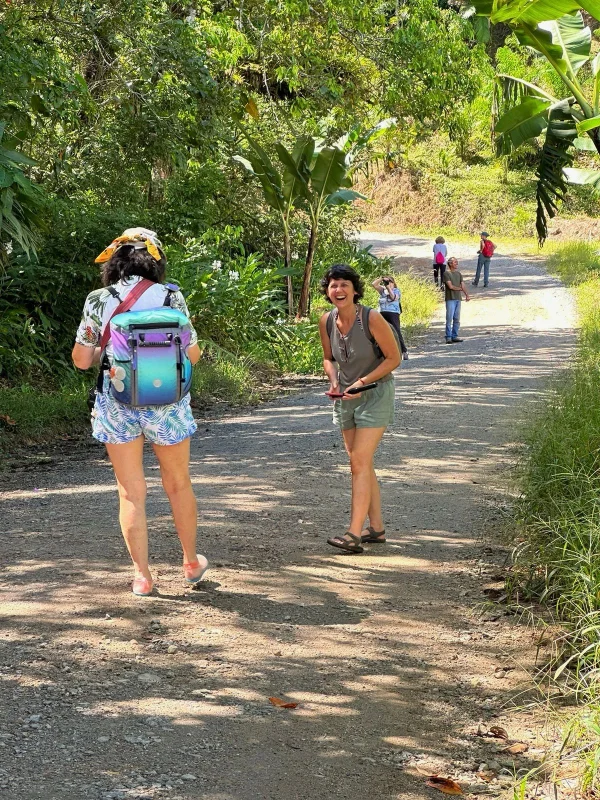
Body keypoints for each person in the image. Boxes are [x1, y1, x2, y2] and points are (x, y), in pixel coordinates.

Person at [71, 227, 208, 597]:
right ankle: (191, 562)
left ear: (114, 260)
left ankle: (142, 576)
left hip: (117, 402)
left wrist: (109, 355)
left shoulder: (98, 300)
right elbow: (193, 354)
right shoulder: (171, 296)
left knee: (131, 492)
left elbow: (83, 360)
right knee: (178, 483)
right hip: (167, 404)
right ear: (156, 260)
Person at [319, 264, 401, 554]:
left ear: (355, 289)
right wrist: (334, 382)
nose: (338, 290)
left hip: (375, 394)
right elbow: (329, 358)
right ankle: (376, 528)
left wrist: (362, 382)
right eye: (333, 285)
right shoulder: (327, 320)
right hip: (345, 397)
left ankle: (353, 534)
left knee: (358, 462)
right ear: (327, 291)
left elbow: (394, 358)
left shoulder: (372, 318)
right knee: (362, 464)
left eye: (344, 284)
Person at [372, 274, 409, 360]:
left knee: (396, 331)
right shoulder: (382, 290)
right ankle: (381, 352)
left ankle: (404, 351)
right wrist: (381, 279)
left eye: (390, 282)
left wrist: (389, 288)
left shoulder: (397, 291)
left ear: (393, 283)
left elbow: (393, 297)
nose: (389, 284)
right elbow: (374, 284)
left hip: (393, 313)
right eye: (387, 282)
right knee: (382, 332)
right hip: (382, 312)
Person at [444, 256, 470, 344]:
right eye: (455, 262)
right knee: (449, 318)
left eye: (457, 262)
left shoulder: (458, 274)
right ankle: (448, 337)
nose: (457, 264)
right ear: (450, 264)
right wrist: (460, 289)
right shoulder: (446, 273)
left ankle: (454, 336)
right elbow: (450, 286)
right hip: (450, 299)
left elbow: (463, 285)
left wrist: (467, 294)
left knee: (457, 318)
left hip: (458, 299)